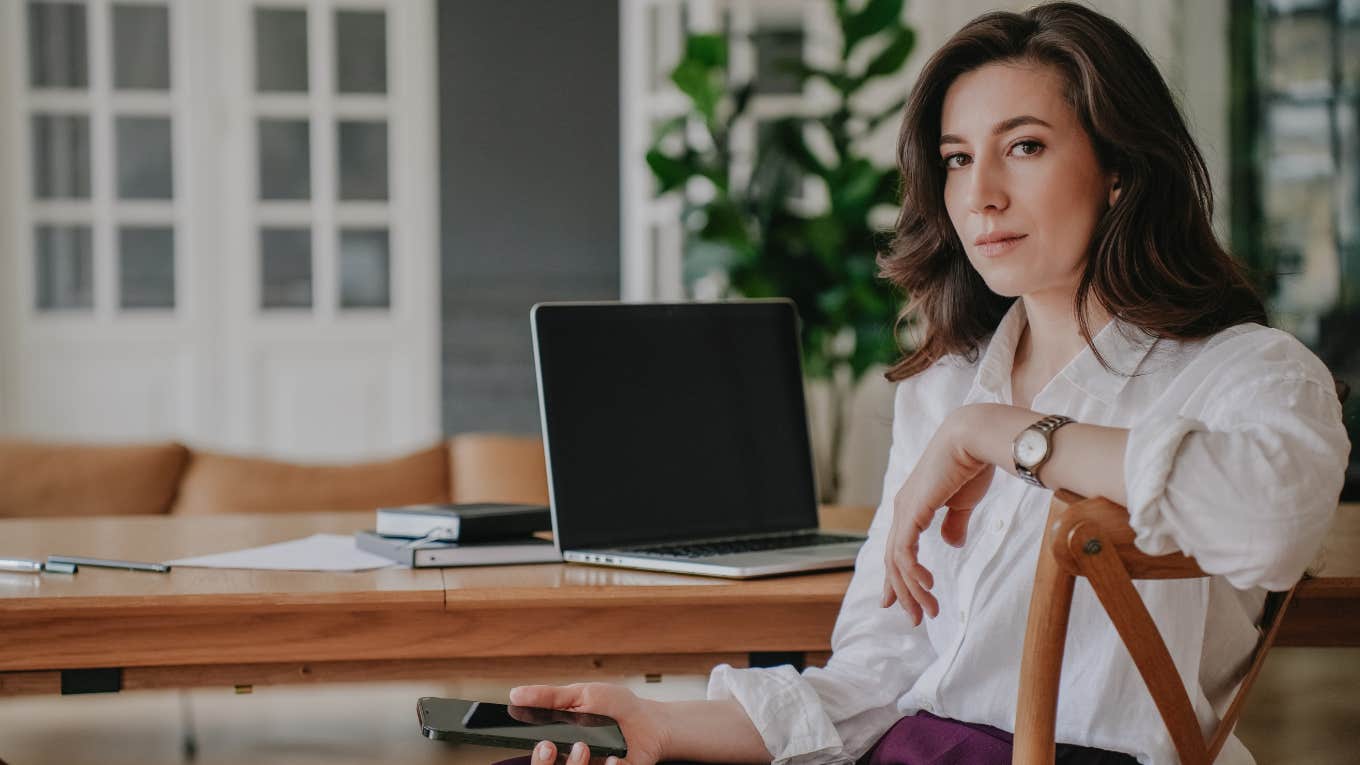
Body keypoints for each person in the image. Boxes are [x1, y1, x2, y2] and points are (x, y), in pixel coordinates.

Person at [495, 3, 1350, 764]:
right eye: (954, 157)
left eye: (1024, 146)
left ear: (1119, 168)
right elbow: (877, 674)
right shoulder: (943, 389)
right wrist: (653, 722)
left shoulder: (1247, 370)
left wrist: (1002, 435)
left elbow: (1270, 522)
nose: (979, 194)